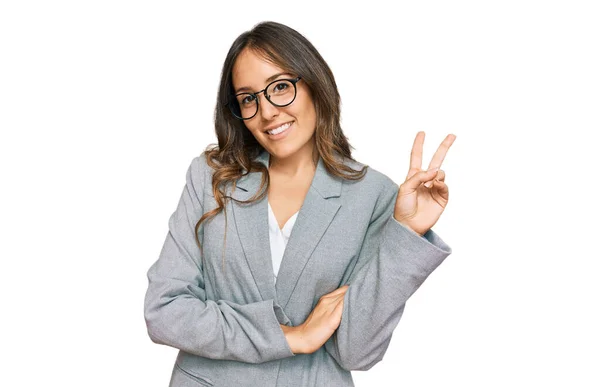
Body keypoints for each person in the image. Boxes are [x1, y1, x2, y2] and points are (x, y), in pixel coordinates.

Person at [144, 20, 456, 387]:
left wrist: (406, 234)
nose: (267, 112)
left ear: (314, 86)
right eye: (248, 99)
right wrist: (291, 337)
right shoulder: (211, 177)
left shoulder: (374, 194)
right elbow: (164, 312)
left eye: (280, 87)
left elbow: (357, 351)